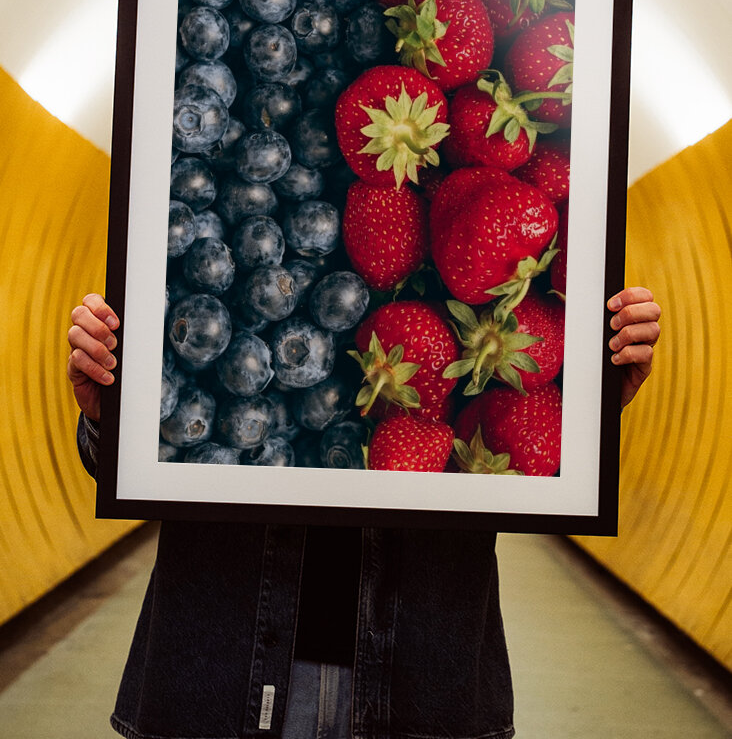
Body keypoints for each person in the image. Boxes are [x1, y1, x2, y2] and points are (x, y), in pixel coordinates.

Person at [68, 286, 661, 739]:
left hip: (421, 677)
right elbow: (139, 461)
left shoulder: (467, 360)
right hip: (221, 668)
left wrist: (590, 411)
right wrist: (111, 417)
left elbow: (524, 458)